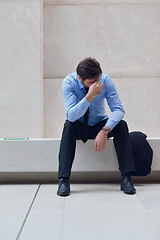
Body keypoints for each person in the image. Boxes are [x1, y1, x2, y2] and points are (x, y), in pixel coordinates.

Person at [57, 57, 136, 197]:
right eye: (91, 83)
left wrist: (105, 130)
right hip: (79, 124)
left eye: (97, 80)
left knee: (122, 126)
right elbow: (71, 115)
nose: (96, 85)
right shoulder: (69, 83)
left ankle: (127, 178)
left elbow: (118, 110)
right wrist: (90, 96)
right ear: (80, 78)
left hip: (99, 124)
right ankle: (63, 180)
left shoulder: (105, 80)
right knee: (68, 126)